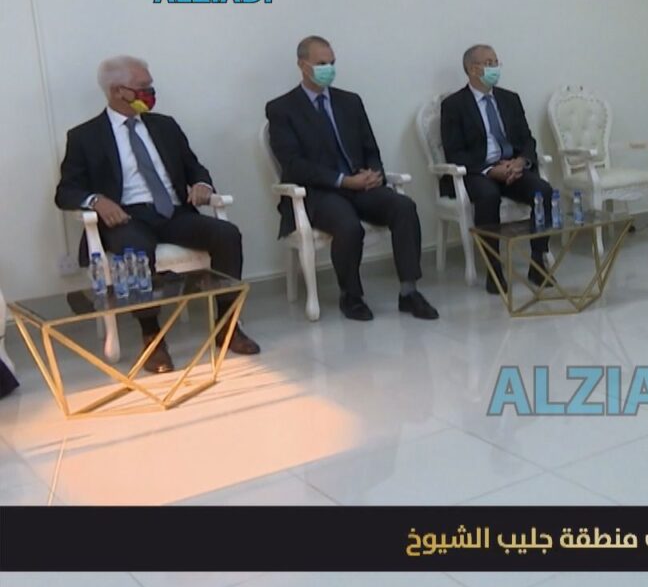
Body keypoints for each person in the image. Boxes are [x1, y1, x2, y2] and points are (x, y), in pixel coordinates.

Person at [55, 56, 260, 372]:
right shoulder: (85, 136)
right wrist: (96, 200)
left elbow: (194, 167)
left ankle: (227, 324)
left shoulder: (165, 126)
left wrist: (202, 184)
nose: (150, 93)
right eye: (143, 87)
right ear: (118, 91)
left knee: (227, 234)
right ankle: (152, 336)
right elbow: (66, 191)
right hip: (126, 216)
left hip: (173, 211)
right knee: (135, 249)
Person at [265, 36, 438, 321]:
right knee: (348, 225)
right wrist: (343, 181)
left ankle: (409, 292)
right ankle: (351, 296)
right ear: (303, 65)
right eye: (322, 63)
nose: (329, 69)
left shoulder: (350, 101)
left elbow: (370, 148)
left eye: (332, 63)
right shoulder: (282, 108)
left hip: (361, 186)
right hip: (318, 193)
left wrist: (374, 174)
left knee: (404, 207)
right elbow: (294, 166)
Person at [439, 44, 554, 293]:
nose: (495, 68)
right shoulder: (454, 105)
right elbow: (454, 152)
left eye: (496, 62)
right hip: (478, 171)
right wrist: (490, 171)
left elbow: (527, 139)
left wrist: (521, 162)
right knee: (488, 195)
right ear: (472, 69)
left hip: (512, 167)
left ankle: (538, 262)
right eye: (489, 63)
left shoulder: (510, 99)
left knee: (543, 191)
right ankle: (494, 270)